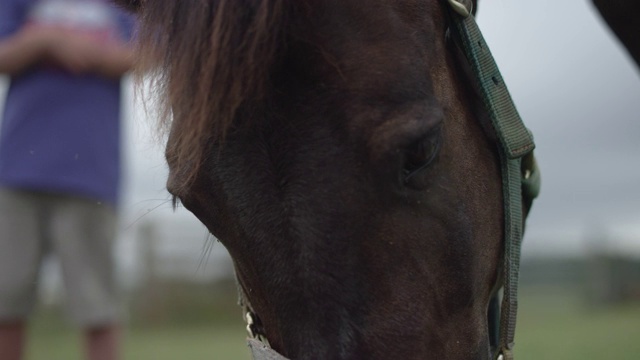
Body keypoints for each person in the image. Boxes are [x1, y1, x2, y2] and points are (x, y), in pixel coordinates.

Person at [0, 0, 135, 359]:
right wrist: (47, 41)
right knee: (4, 303)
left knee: (98, 308)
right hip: (15, 171)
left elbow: (149, 53)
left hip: (90, 174)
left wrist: (82, 50)